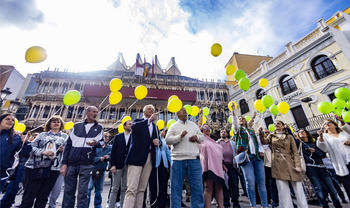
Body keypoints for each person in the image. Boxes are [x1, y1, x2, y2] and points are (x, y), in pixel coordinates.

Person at [60, 106, 105, 208]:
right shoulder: (77, 126)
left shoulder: (99, 127)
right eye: (94, 112)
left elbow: (102, 142)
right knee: (68, 191)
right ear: (87, 113)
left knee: (83, 192)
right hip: (71, 163)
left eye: (97, 112)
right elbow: (68, 145)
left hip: (87, 163)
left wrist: (96, 143)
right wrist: (64, 163)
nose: (96, 114)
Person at [20, 115, 67, 208]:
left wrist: (63, 150)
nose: (56, 123)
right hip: (36, 166)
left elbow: (68, 151)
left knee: (43, 195)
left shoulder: (65, 136)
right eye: (54, 121)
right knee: (29, 194)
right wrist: (42, 152)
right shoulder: (42, 135)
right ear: (49, 124)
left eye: (58, 121)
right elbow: (31, 147)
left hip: (53, 168)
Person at [259, 120, 308, 208]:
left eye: (278, 123)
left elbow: (295, 152)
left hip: (290, 162)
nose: (276, 125)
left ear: (283, 126)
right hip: (277, 163)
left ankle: (303, 206)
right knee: (282, 188)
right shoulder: (271, 135)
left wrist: (297, 165)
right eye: (275, 124)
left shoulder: (289, 137)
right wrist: (260, 133)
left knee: (298, 187)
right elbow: (264, 142)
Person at [165, 107, 204, 208]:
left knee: (197, 188)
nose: (185, 111)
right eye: (182, 110)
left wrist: (197, 138)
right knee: (176, 189)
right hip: (178, 160)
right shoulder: (173, 126)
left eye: (185, 110)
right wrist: (180, 137)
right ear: (177, 114)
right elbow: (168, 140)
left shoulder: (194, 125)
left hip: (194, 160)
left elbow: (202, 137)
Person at [231, 104, 268, 208]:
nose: (241, 119)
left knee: (261, 183)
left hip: (257, 158)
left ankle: (265, 205)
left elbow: (258, 143)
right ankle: (253, 205)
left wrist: (260, 150)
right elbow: (234, 123)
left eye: (243, 118)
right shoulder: (238, 131)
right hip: (246, 158)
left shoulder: (251, 131)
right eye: (239, 119)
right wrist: (233, 110)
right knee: (250, 182)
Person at [123, 104, 160, 208]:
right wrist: (148, 121)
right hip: (136, 157)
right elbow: (134, 128)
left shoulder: (155, 127)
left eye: (153, 109)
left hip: (149, 157)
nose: (152, 110)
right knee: (132, 188)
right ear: (144, 111)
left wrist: (158, 142)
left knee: (142, 188)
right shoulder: (138, 121)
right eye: (149, 109)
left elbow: (159, 141)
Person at [297, 128, 342, 208]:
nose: (301, 133)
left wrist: (315, 151)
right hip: (310, 168)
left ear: (307, 134)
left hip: (322, 167)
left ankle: (337, 204)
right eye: (299, 132)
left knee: (331, 187)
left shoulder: (313, 143)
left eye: (303, 132)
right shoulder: (299, 144)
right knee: (318, 188)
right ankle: (324, 205)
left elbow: (323, 154)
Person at [0, 114, 31, 208]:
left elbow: (25, 151)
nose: (10, 121)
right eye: (7, 119)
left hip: (2, 172)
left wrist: (24, 142)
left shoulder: (15, 137)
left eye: (12, 120)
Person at [317, 116, 350, 200]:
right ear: (324, 127)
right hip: (341, 164)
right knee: (348, 186)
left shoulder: (343, 133)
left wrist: (342, 122)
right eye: (325, 124)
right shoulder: (325, 136)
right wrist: (320, 136)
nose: (327, 124)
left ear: (335, 125)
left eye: (329, 123)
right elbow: (322, 148)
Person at [199, 124, 226, 208]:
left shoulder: (214, 141)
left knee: (219, 187)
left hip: (217, 167)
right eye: (205, 128)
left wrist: (222, 164)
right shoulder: (201, 139)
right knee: (208, 187)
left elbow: (219, 154)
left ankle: (221, 206)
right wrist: (200, 115)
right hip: (208, 166)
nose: (208, 130)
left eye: (208, 128)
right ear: (202, 130)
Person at [109, 120, 132, 208]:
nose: (131, 125)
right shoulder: (118, 137)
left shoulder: (133, 137)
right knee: (115, 188)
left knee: (125, 188)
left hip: (128, 165)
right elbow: (113, 151)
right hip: (117, 165)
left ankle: (123, 205)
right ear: (124, 126)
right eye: (129, 124)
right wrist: (112, 165)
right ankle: (111, 205)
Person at [87, 132, 112, 208]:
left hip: (102, 170)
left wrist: (108, 157)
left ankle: (98, 206)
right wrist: (98, 159)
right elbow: (89, 158)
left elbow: (112, 156)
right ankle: (85, 205)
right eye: (105, 136)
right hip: (92, 169)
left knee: (99, 189)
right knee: (89, 188)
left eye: (108, 136)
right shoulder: (95, 146)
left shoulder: (109, 147)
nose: (106, 138)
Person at [217, 128, 240, 208]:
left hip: (232, 166)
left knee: (234, 184)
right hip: (222, 166)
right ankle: (226, 203)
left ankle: (235, 202)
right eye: (221, 132)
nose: (223, 133)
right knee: (224, 186)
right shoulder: (217, 142)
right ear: (220, 134)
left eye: (224, 131)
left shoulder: (233, 142)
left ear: (227, 133)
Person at [149, 130, 171, 208]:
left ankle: (162, 204)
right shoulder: (151, 138)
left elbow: (167, 151)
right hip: (154, 165)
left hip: (164, 165)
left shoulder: (163, 140)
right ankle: (154, 205)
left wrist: (171, 163)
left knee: (163, 186)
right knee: (154, 186)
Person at [261, 129, 279, 208]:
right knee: (267, 183)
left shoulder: (272, 143)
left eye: (268, 132)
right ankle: (270, 200)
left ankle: (277, 200)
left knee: (275, 183)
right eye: (265, 133)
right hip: (264, 165)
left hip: (274, 164)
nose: (267, 134)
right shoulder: (261, 144)